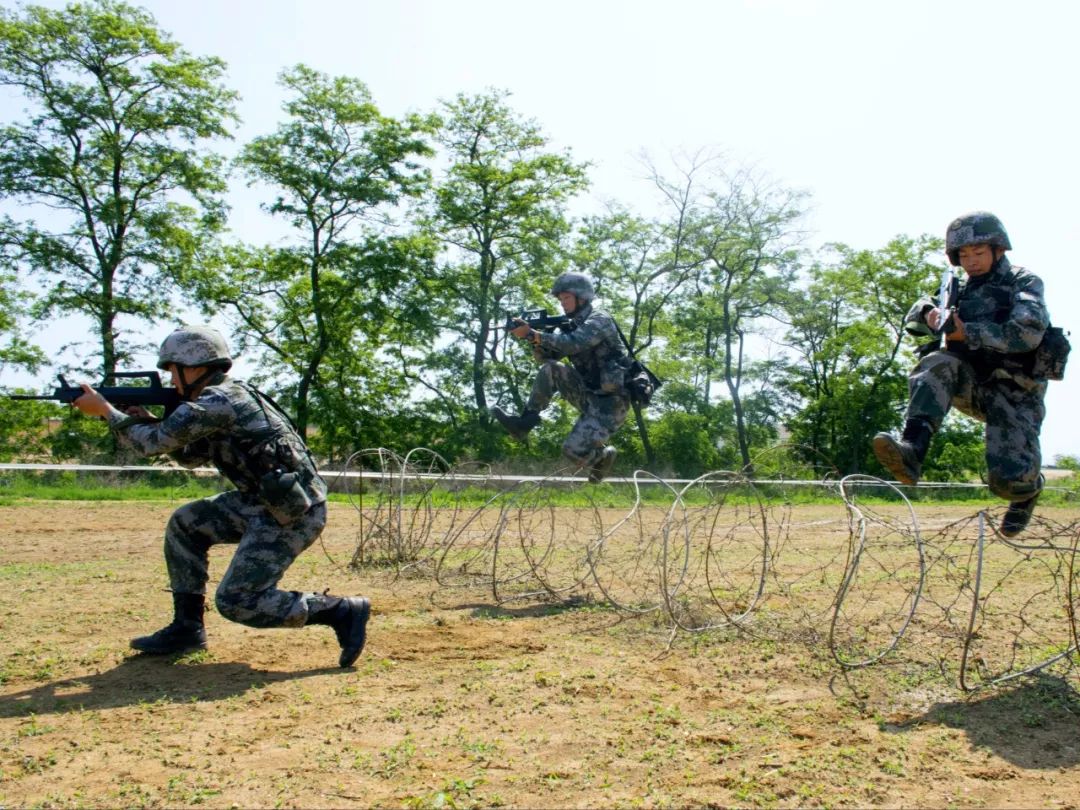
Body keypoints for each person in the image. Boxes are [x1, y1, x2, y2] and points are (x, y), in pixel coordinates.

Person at [71, 325, 371, 666]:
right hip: (261, 502)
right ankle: (186, 628)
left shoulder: (220, 401)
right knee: (187, 523)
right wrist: (145, 420)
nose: (171, 380)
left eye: (173, 370)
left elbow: (151, 445)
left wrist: (107, 412)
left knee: (238, 601)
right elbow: (189, 456)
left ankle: (340, 611)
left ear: (195, 366)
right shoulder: (215, 400)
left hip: (291, 512)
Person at [873, 211, 1050, 537]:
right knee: (939, 362)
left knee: (1007, 481)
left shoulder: (1022, 283)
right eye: (963, 255)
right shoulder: (958, 290)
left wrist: (967, 333)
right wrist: (929, 313)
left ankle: (1028, 491)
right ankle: (912, 450)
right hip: (972, 385)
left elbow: (1027, 333)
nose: (971, 261)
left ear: (999, 250)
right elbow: (915, 318)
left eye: (979, 253)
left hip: (1015, 392)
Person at [492, 272, 631, 483]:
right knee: (552, 369)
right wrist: (536, 340)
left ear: (581, 298)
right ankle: (525, 422)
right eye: (560, 299)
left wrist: (533, 334)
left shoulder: (600, 319)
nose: (563, 304)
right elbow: (547, 358)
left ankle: (603, 456)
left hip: (611, 404)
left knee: (572, 450)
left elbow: (574, 343)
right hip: (588, 395)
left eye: (566, 298)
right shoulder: (569, 326)